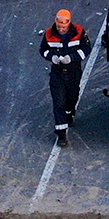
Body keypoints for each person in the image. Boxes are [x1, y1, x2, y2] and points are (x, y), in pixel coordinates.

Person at [40, 9, 92, 147]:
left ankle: (69, 113)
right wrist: (53, 58)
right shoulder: (49, 35)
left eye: (64, 26)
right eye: (59, 26)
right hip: (57, 73)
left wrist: (72, 58)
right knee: (59, 103)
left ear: (69, 23)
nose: (61, 29)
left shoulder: (79, 32)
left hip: (73, 72)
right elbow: (43, 50)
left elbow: (86, 48)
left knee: (72, 98)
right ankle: (61, 134)